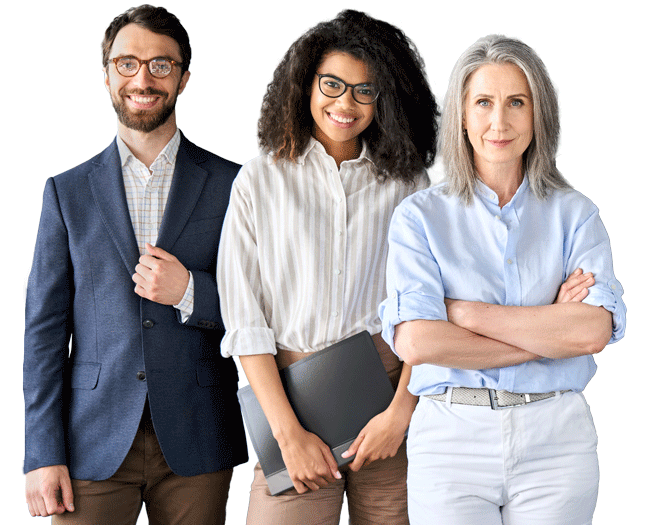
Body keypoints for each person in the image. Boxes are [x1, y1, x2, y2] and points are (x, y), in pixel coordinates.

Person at [379, 34, 626, 525]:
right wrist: (549, 330)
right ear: (463, 115)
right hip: (451, 439)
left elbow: (592, 332)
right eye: (484, 103)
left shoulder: (575, 215)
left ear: (539, 114)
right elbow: (417, 340)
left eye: (517, 102)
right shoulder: (419, 217)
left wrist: (464, 314)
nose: (500, 121)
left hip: (556, 441)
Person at [23, 5, 247, 524]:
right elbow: (43, 333)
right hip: (91, 441)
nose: (143, 79)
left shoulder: (234, 185)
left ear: (184, 77)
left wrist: (190, 290)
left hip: (198, 437)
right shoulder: (66, 193)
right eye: (127, 64)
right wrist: (42, 453)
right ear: (106, 76)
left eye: (160, 65)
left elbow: (262, 306)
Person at [217, 9, 438, 525]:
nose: (346, 103)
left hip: (390, 397)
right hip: (294, 400)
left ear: (387, 98)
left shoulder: (409, 186)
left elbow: (431, 309)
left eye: (365, 90)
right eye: (332, 84)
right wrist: (287, 435)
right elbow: (246, 322)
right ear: (305, 83)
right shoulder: (260, 180)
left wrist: (399, 416)